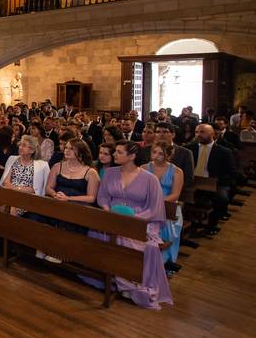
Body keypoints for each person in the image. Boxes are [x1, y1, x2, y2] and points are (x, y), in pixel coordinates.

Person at [89, 141, 173, 309]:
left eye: (119, 152)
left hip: (140, 221)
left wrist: (133, 219)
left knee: (134, 242)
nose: (114, 155)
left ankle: (129, 282)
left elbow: (154, 208)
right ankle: (110, 278)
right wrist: (107, 210)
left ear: (132, 156)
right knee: (96, 234)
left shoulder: (150, 179)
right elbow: (103, 197)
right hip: (112, 218)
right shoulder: (110, 173)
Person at [185, 123, 237, 234]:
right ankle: (187, 223)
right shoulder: (189, 148)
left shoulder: (224, 151)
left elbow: (231, 172)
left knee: (222, 197)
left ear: (212, 134)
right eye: (196, 132)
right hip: (192, 181)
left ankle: (212, 224)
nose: (198, 134)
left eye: (202, 132)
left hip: (213, 182)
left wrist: (215, 181)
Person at [144, 141, 184, 272]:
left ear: (168, 155)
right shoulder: (144, 168)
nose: (156, 156)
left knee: (166, 228)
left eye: (160, 154)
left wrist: (157, 202)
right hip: (147, 206)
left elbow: (175, 194)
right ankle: (147, 264)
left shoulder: (176, 171)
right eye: (154, 152)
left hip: (168, 208)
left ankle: (164, 264)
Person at [0, 135, 50, 215]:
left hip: (28, 197)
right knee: (0, 202)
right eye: (20, 144)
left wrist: (16, 189)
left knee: (14, 206)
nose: (20, 147)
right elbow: (6, 182)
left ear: (32, 150)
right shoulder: (12, 159)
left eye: (24, 145)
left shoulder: (42, 165)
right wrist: (14, 190)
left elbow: (35, 189)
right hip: (10, 193)